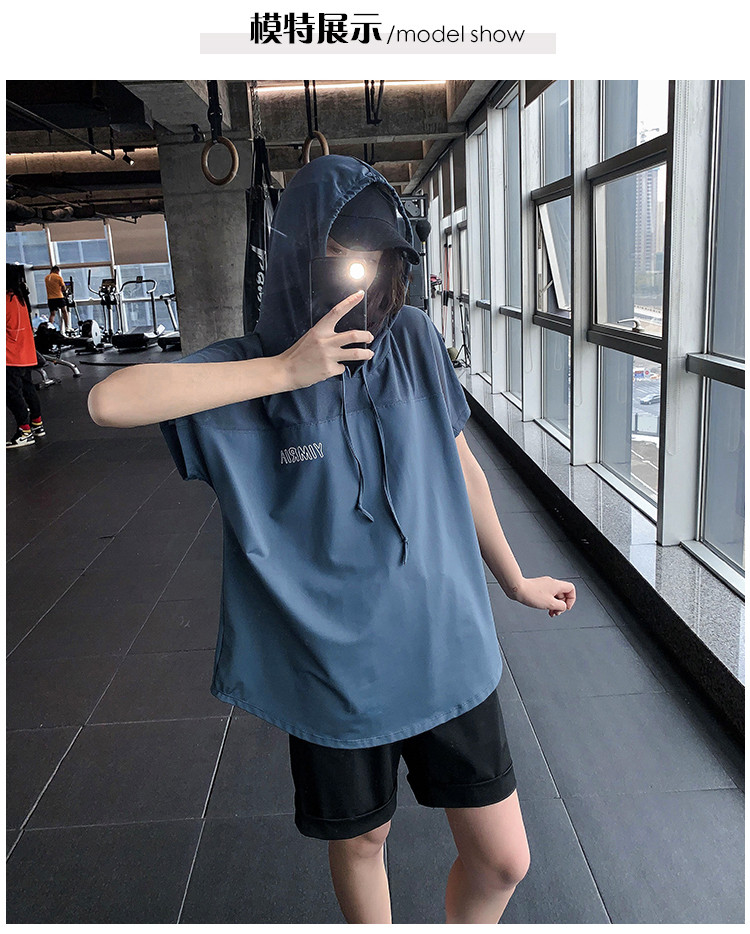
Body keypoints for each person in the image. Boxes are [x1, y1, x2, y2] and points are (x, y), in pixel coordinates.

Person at [88, 155, 576, 924]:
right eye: (347, 255)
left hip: (443, 640)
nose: (366, 276)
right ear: (299, 255)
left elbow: (461, 466)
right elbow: (109, 402)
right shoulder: (250, 370)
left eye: (379, 257)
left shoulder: (411, 338)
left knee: (503, 859)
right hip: (332, 664)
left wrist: (514, 580)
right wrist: (285, 371)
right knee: (363, 839)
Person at [7, 273, 45, 447]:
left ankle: (24, 431)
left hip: (11, 356)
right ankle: (37, 424)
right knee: (28, 389)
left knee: (11, 394)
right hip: (25, 353)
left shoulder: (6, 299)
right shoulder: (19, 297)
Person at [44, 265, 70, 334]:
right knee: (64, 311)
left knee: (52, 314)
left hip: (50, 298)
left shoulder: (46, 278)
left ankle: (50, 328)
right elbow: (64, 288)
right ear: (56, 271)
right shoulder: (58, 277)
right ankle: (67, 327)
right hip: (59, 297)